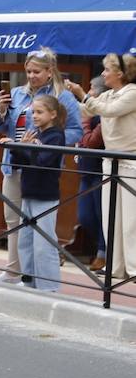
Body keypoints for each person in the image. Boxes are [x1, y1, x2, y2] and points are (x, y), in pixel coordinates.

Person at [0, 48, 82, 283]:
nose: (31, 76)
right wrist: (1, 110)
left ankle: (41, 280)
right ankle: (14, 271)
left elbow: (75, 130)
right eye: (28, 71)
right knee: (13, 218)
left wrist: (47, 142)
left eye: (36, 72)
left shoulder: (63, 96)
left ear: (49, 72)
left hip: (42, 167)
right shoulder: (18, 94)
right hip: (14, 164)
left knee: (39, 226)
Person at [67, 53, 136, 280]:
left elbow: (108, 111)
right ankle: (115, 266)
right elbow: (88, 110)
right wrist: (66, 97)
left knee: (130, 220)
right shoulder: (108, 94)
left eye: (107, 70)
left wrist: (81, 94)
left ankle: (133, 269)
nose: (103, 74)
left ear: (121, 73)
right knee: (110, 217)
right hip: (110, 161)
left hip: (129, 163)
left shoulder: (132, 93)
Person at [3, 94, 67, 292]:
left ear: (53, 114)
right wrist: (16, 147)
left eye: (39, 112)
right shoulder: (35, 134)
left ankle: (49, 285)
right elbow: (21, 163)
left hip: (45, 195)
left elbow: (44, 161)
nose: (34, 116)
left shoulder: (55, 135)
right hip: (29, 192)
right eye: (33, 112)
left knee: (44, 242)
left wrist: (27, 148)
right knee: (26, 240)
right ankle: (29, 280)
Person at [75, 74, 108, 270]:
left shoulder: (101, 115)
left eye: (92, 89)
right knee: (85, 215)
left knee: (101, 214)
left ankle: (103, 253)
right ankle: (100, 248)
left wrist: (85, 121)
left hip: (99, 170)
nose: (88, 92)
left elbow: (91, 142)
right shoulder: (86, 112)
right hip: (85, 170)